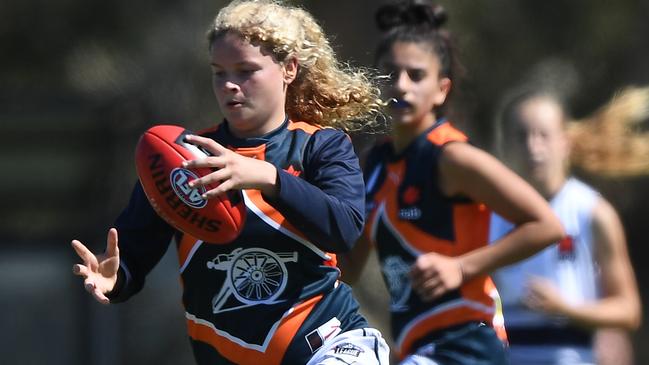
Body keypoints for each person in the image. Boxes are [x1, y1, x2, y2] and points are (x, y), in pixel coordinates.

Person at [70, 1, 391, 364]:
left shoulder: (320, 145)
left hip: (326, 345)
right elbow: (133, 248)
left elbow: (345, 228)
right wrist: (116, 278)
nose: (230, 86)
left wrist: (269, 178)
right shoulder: (188, 159)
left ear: (288, 69)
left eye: (246, 71)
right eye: (219, 73)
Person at [338, 1, 565, 364]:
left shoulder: (451, 157)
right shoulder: (374, 163)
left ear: (442, 89)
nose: (401, 85)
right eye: (390, 72)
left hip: (467, 342)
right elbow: (348, 268)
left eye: (416, 75)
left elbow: (547, 225)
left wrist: (461, 267)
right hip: (417, 347)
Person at [490, 86, 646, 365]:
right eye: (521, 135)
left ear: (565, 142)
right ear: (506, 144)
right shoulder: (491, 212)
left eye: (543, 135)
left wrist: (565, 309)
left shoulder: (592, 212)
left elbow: (629, 310)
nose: (532, 146)